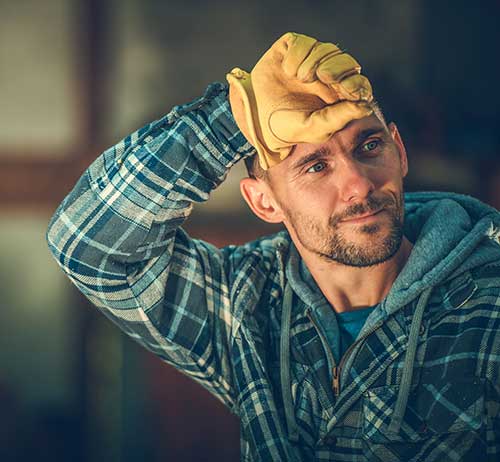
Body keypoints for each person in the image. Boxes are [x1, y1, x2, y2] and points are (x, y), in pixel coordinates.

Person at [46, 32, 500, 461]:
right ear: (264, 202)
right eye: (316, 166)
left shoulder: (489, 304)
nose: (358, 185)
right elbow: (88, 242)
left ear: (399, 151)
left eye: (369, 145)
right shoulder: (247, 303)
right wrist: (233, 116)